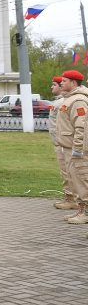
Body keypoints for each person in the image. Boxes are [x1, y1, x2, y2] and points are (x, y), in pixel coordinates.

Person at [57, 70, 88, 224]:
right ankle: (80, 210)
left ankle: (86, 212)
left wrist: (77, 148)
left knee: (82, 179)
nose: (61, 83)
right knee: (75, 180)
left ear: (74, 83)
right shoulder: (70, 99)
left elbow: (81, 127)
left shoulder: (78, 101)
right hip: (69, 148)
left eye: (64, 80)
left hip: (77, 150)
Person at [49, 77, 75, 211]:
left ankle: (71, 199)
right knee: (65, 171)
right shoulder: (59, 102)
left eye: (55, 85)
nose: (51, 87)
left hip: (64, 142)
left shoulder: (63, 102)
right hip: (59, 141)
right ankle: (69, 197)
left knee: (68, 171)